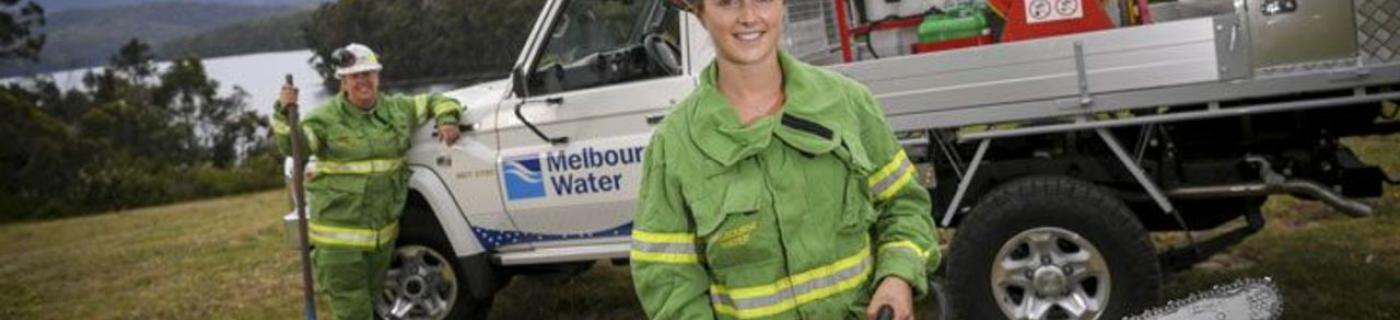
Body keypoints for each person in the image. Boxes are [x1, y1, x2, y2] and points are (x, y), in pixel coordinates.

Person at [630, 1, 940, 319]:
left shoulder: (848, 103)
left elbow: (905, 206)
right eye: (726, 2)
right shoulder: (675, 144)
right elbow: (667, 278)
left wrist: (897, 278)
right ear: (700, 12)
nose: (748, 17)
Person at [272, 43, 462, 320]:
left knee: (370, 306)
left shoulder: (399, 109)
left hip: (381, 243)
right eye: (354, 76)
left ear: (377, 76)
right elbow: (296, 146)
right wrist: (284, 113)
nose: (362, 81)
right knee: (354, 313)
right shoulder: (324, 119)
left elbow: (437, 100)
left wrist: (447, 119)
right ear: (343, 82)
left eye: (368, 73)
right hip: (339, 245)